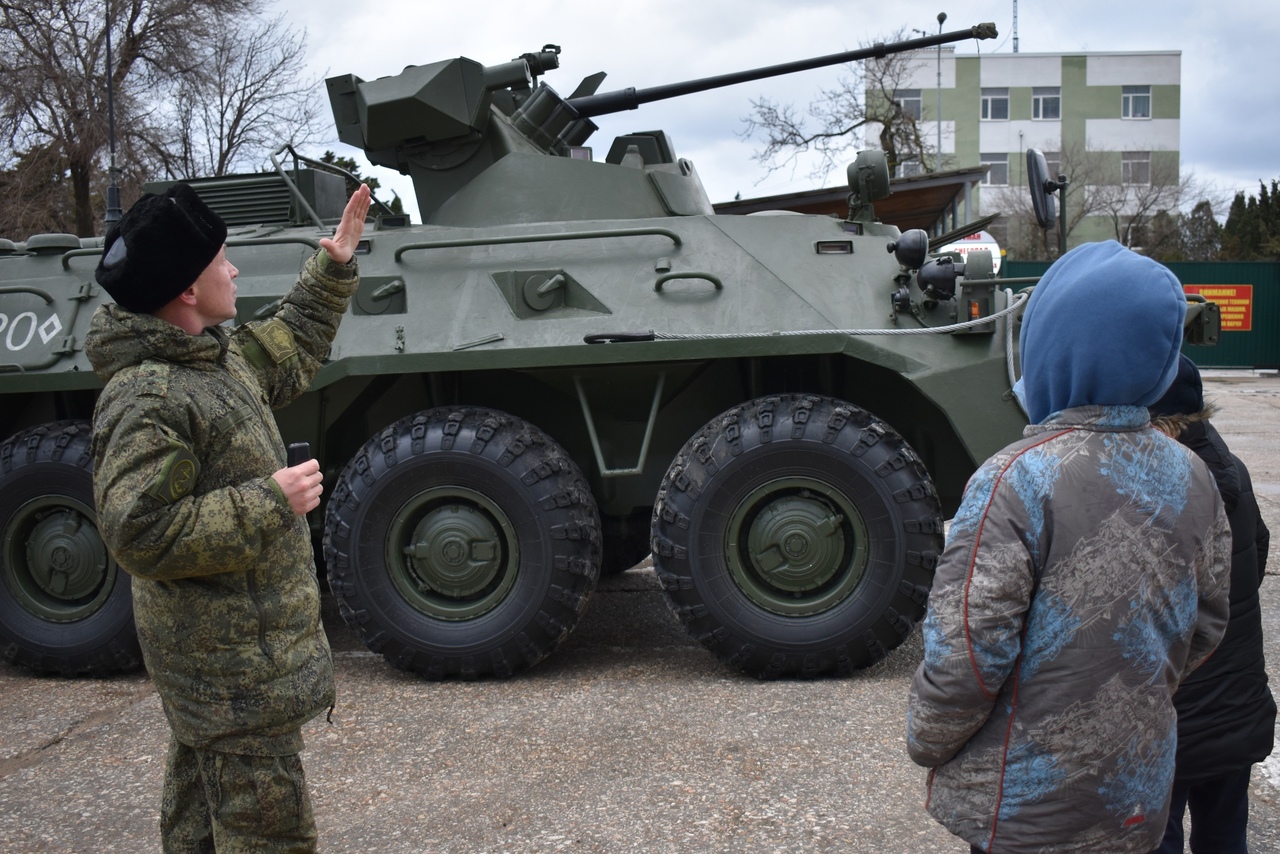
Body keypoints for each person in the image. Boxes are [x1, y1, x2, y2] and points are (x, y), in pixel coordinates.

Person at [906, 240, 1232, 853]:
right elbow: (1208, 623)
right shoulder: (1194, 476)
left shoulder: (1014, 480)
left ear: (1047, 345)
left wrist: (928, 741)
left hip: (1026, 815)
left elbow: (967, 656)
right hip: (1134, 793)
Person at [86, 181, 372, 852]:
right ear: (188, 289)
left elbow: (285, 344)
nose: (234, 269)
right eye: (222, 259)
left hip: (226, 679)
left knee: (200, 827)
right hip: (230, 677)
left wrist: (331, 269)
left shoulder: (211, 362)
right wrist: (272, 500)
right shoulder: (150, 397)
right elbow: (140, 531)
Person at [1149, 354, 1274, 854]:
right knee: (1226, 838)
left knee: (1159, 838)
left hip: (1179, 719)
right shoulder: (1231, 468)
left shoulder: (1164, 482)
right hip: (1237, 711)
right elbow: (1257, 553)